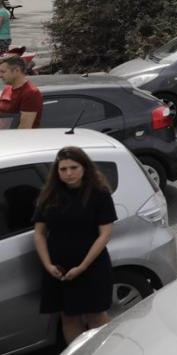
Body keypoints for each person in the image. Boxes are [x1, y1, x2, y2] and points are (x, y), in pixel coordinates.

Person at [33, 146, 119, 344]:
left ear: (85, 168)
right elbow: (39, 234)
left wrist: (82, 267)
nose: (69, 173)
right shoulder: (49, 195)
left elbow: (104, 235)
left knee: (96, 315)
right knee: (68, 317)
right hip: (58, 269)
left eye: (74, 167)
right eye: (63, 169)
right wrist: (47, 265)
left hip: (91, 266)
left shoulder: (99, 194)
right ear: (57, 171)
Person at [0, 54, 42, 129]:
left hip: (15, 139)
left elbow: (24, 128)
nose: (0, 75)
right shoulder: (7, 89)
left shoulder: (31, 93)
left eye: (3, 72)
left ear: (17, 70)